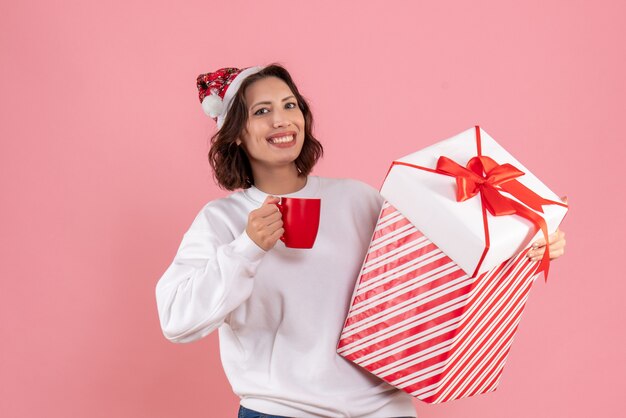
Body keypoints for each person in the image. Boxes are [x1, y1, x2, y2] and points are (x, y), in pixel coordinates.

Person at [155, 64, 567, 418]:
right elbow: (176, 320)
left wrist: (524, 249)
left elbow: (437, 274)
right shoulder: (223, 220)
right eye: (262, 111)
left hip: (385, 407)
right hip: (281, 411)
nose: (282, 120)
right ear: (237, 135)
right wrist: (247, 247)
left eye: (290, 105)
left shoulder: (356, 198)